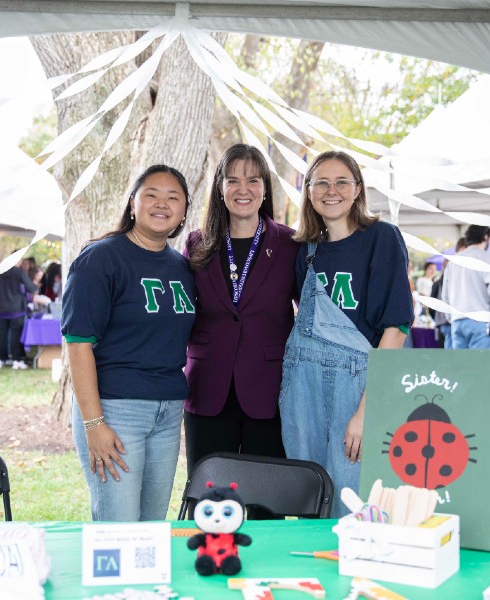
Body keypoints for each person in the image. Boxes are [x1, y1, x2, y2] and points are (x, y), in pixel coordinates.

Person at [279, 151, 412, 516]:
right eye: (321, 182)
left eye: (341, 182)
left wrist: (366, 411)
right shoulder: (304, 249)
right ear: (308, 191)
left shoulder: (382, 238)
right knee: (307, 495)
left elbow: (396, 329)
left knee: (353, 499)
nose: (331, 190)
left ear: (357, 190)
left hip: (357, 387)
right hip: (302, 387)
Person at [62, 164, 195, 522]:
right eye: (150, 194)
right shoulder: (101, 258)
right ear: (133, 204)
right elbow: (77, 344)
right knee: (118, 529)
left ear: (184, 211)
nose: (161, 203)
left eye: (173, 197)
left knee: (150, 528)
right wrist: (94, 424)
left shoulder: (182, 267)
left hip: (167, 413)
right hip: (116, 410)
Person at [183, 144, 298, 489]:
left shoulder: (291, 243)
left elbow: (310, 313)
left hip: (269, 389)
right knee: (208, 495)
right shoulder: (197, 243)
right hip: (207, 387)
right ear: (220, 188)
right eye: (232, 180)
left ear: (265, 188)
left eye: (253, 180)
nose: (242, 189)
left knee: (267, 500)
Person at [440, 225, 490, 349]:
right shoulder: (488, 258)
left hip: (457, 322)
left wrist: (452, 317)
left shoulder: (453, 262)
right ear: (486, 237)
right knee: (482, 367)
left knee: (461, 367)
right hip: (482, 321)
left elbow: (445, 295)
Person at [0, 260, 36, 370]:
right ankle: (16, 359)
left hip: (0, 308)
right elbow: (31, 288)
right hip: (16, 309)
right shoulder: (19, 272)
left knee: (1, 335)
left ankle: (0, 359)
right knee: (16, 335)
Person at [430, 237, 467, 348]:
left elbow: (433, 303)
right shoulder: (452, 278)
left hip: (445, 319)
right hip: (451, 318)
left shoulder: (439, 282)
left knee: (450, 346)